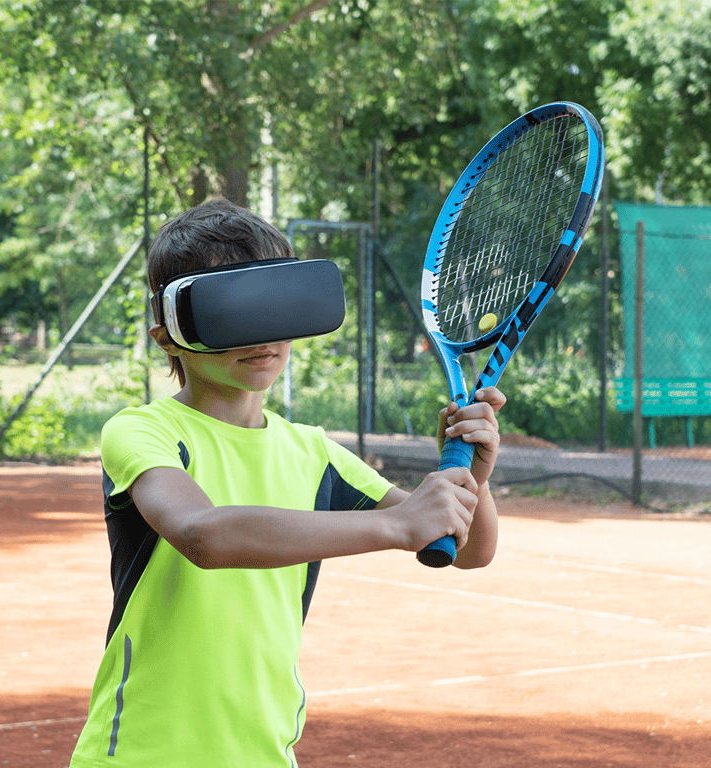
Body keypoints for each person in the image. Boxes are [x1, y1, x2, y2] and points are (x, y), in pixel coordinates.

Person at [69, 198, 505, 768]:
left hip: (265, 755)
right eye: (234, 309)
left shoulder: (314, 451)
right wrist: (398, 522)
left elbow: (467, 551)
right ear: (169, 335)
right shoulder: (143, 431)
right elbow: (204, 535)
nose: (264, 334)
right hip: (141, 754)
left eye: (278, 302)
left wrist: (474, 476)